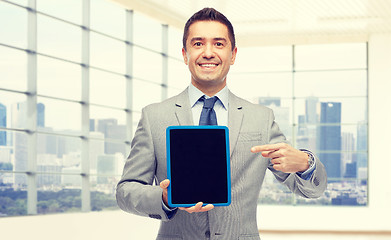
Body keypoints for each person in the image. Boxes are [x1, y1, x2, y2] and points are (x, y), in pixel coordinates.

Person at [116, 7, 327, 240]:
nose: (208, 52)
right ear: (185, 54)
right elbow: (126, 191)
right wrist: (164, 198)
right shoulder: (154, 116)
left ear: (233, 54)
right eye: (198, 44)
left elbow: (312, 189)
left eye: (219, 43)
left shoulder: (261, 118)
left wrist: (305, 163)